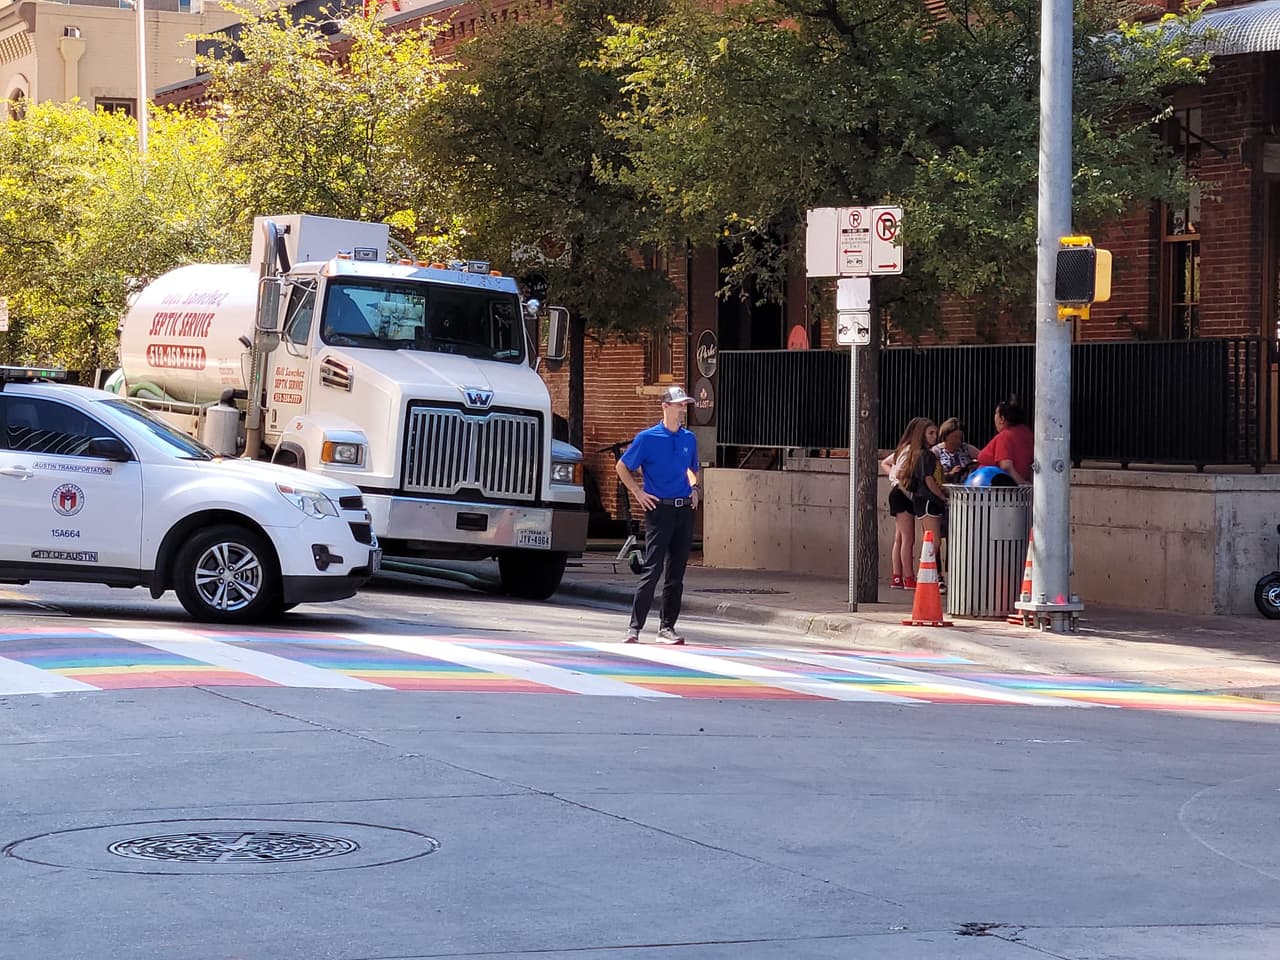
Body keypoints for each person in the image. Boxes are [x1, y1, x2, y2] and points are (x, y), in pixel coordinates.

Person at [615, 385, 701, 644]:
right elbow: (622, 466)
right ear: (665, 406)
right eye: (678, 405)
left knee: (676, 573)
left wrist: (695, 488)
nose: (682, 409)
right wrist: (638, 493)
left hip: (683, 509)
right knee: (652, 569)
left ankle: (667, 627)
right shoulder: (647, 438)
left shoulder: (689, 438)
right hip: (659, 509)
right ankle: (634, 628)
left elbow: (692, 469)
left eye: (684, 405)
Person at [880, 417, 938, 590]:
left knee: (900, 538)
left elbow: (887, 463)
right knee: (908, 538)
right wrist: (899, 477)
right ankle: (908, 577)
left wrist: (894, 476)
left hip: (901, 493)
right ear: (921, 434)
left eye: (935, 433)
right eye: (931, 433)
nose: (935, 437)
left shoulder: (907, 449)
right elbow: (898, 472)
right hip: (902, 494)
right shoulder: (910, 450)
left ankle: (897, 576)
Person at [977, 398, 1034, 484]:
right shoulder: (1028, 435)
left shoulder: (1005, 436)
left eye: (996, 413)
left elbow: (1006, 467)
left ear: (1002, 419)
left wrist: (1022, 484)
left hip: (996, 489)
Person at [932, 418, 980, 484]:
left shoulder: (965, 448)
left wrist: (974, 466)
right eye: (954, 437)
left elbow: (983, 457)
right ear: (945, 436)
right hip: (944, 487)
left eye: (960, 437)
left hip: (965, 487)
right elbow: (931, 475)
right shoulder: (936, 451)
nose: (957, 441)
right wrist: (950, 474)